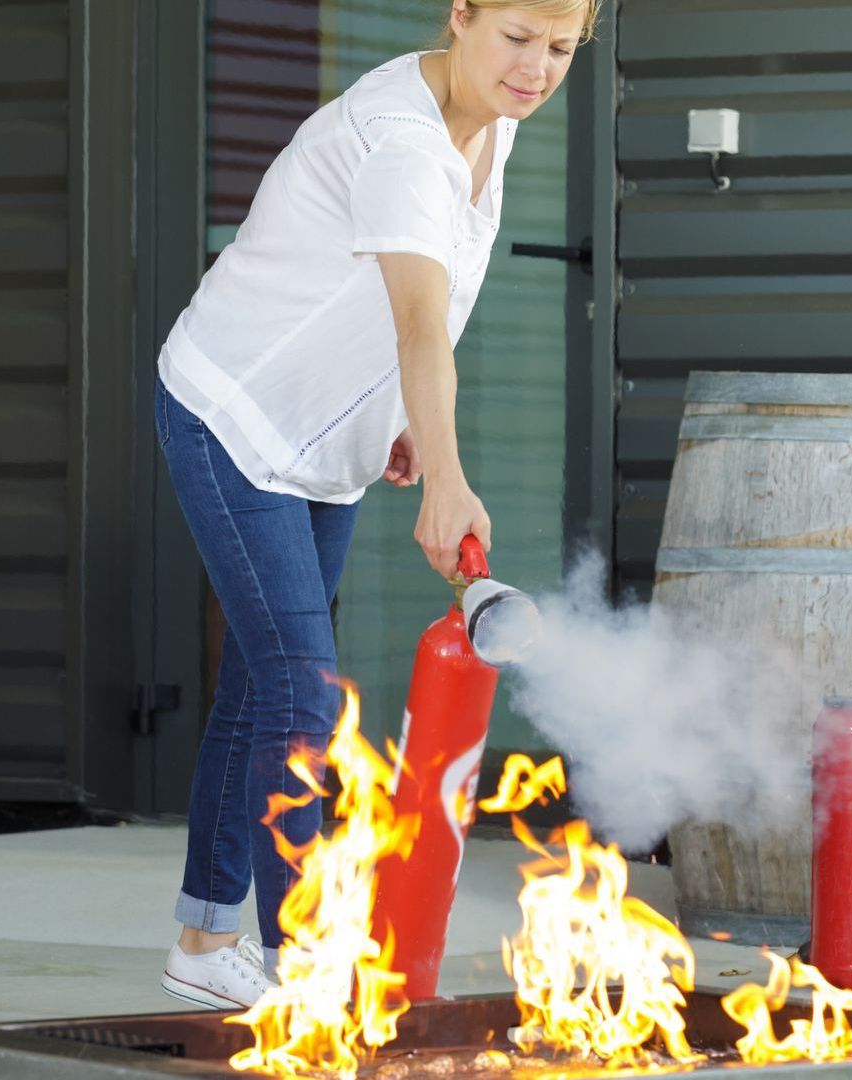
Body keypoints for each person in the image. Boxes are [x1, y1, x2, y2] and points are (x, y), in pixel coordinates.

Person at [154, 0, 597, 1010]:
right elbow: (416, 320)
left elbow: (423, 308)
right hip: (235, 415)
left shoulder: (493, 117)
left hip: (326, 444)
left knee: (264, 686)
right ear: (460, 15)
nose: (535, 69)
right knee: (304, 693)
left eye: (562, 49)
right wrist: (445, 475)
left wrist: (400, 421)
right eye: (516, 38)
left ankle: (201, 941)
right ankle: (301, 972)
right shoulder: (402, 142)